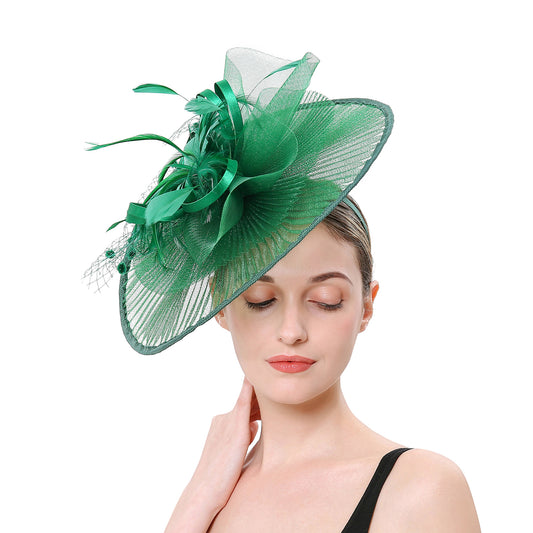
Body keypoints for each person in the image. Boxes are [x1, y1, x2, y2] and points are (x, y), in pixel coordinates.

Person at [86, 48, 481, 532]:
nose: (292, 331)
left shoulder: (421, 490)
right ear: (221, 304)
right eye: (261, 300)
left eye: (326, 301)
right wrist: (196, 500)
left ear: (366, 306)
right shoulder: (211, 494)